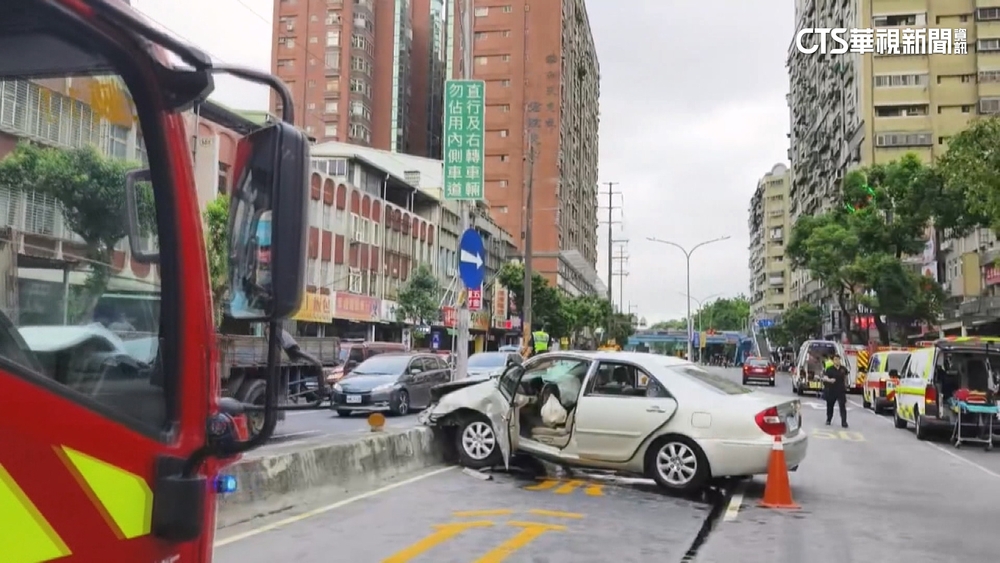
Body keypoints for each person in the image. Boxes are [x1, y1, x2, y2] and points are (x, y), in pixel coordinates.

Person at [823, 354, 850, 428]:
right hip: (832, 390)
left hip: (841, 390)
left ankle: (844, 422)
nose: (837, 361)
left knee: (842, 406)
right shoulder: (829, 369)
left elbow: (846, 377)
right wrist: (829, 380)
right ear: (833, 361)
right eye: (835, 359)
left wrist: (847, 384)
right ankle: (829, 419)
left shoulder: (843, 369)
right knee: (830, 405)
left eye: (838, 359)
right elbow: (825, 377)